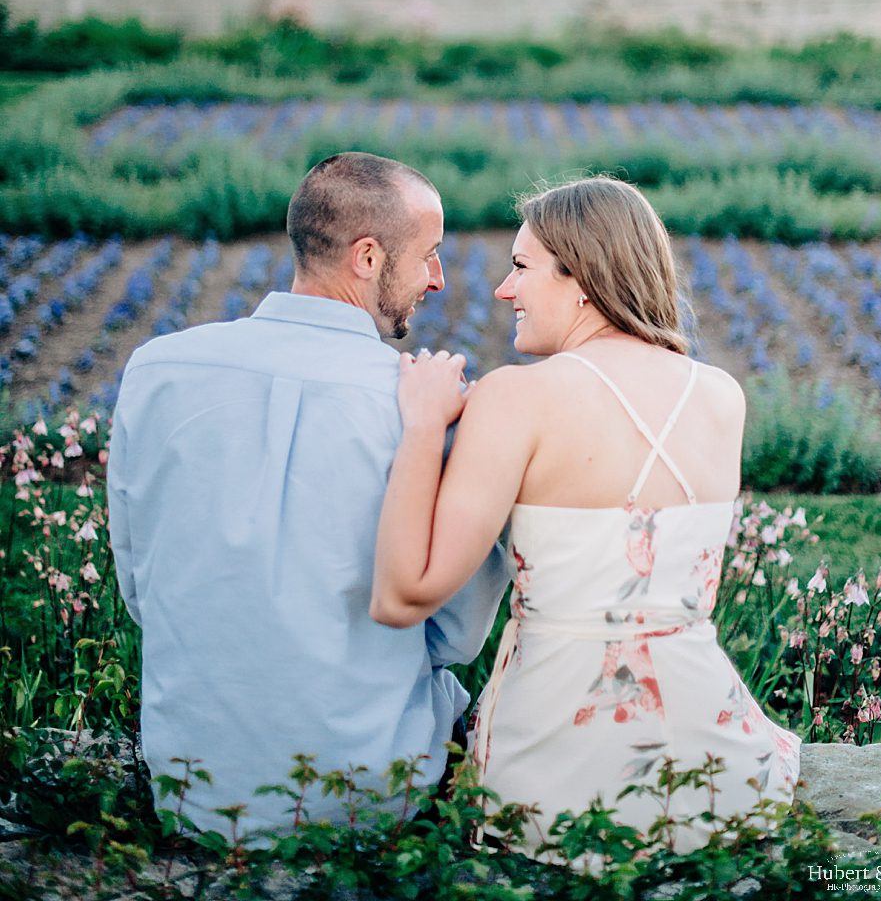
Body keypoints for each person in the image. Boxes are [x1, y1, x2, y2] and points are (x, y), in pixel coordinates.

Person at [371, 175, 801, 858]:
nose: (502, 291)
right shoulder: (721, 396)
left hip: (554, 774)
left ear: (583, 278)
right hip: (718, 767)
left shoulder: (516, 399)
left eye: (520, 268)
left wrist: (423, 426)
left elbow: (404, 595)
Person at [107, 152, 507, 838]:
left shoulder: (157, 370)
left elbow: (139, 587)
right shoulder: (422, 409)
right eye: (429, 255)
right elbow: (455, 636)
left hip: (191, 788)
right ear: (369, 257)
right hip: (365, 792)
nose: (438, 280)